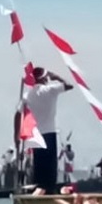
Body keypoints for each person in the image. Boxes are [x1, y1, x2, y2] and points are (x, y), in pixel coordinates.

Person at [23, 66, 73, 194]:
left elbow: (19, 113)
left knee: (39, 169)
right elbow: (69, 85)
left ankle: (38, 192)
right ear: (45, 77)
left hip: (36, 134)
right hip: (49, 133)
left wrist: (16, 133)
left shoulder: (27, 95)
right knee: (50, 170)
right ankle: (49, 193)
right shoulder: (50, 90)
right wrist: (55, 76)